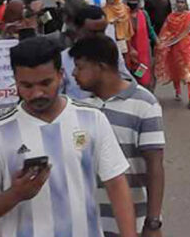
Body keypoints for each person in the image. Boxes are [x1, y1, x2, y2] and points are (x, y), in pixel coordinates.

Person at [0, 37, 137, 237]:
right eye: (27, 86)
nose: (37, 93)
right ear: (15, 81)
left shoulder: (92, 118)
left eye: (45, 83)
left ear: (61, 75)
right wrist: (15, 194)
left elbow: (116, 185)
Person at [70, 35, 166, 237]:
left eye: (80, 67)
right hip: (91, 221)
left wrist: (153, 222)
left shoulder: (145, 104)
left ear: (101, 67)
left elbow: (155, 167)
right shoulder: (82, 108)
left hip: (133, 221)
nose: (74, 74)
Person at [58, 4, 134, 100]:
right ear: (77, 30)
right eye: (93, 32)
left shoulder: (111, 52)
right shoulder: (64, 59)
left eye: (102, 31)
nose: (99, 37)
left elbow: (126, 80)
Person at [155, 0, 190, 109]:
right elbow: (165, 32)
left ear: (186, 4)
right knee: (176, 69)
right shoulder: (170, 17)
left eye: (182, 2)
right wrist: (163, 44)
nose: (180, 4)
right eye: (178, 2)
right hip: (174, 47)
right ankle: (178, 90)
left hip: (187, 46)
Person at [125, 0, 155, 87]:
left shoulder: (144, 14)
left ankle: (141, 88)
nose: (132, 2)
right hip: (127, 49)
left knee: (141, 74)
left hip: (142, 51)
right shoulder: (123, 15)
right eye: (130, 0)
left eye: (134, 0)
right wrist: (130, 49)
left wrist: (157, 41)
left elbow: (150, 30)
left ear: (138, 1)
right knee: (129, 73)